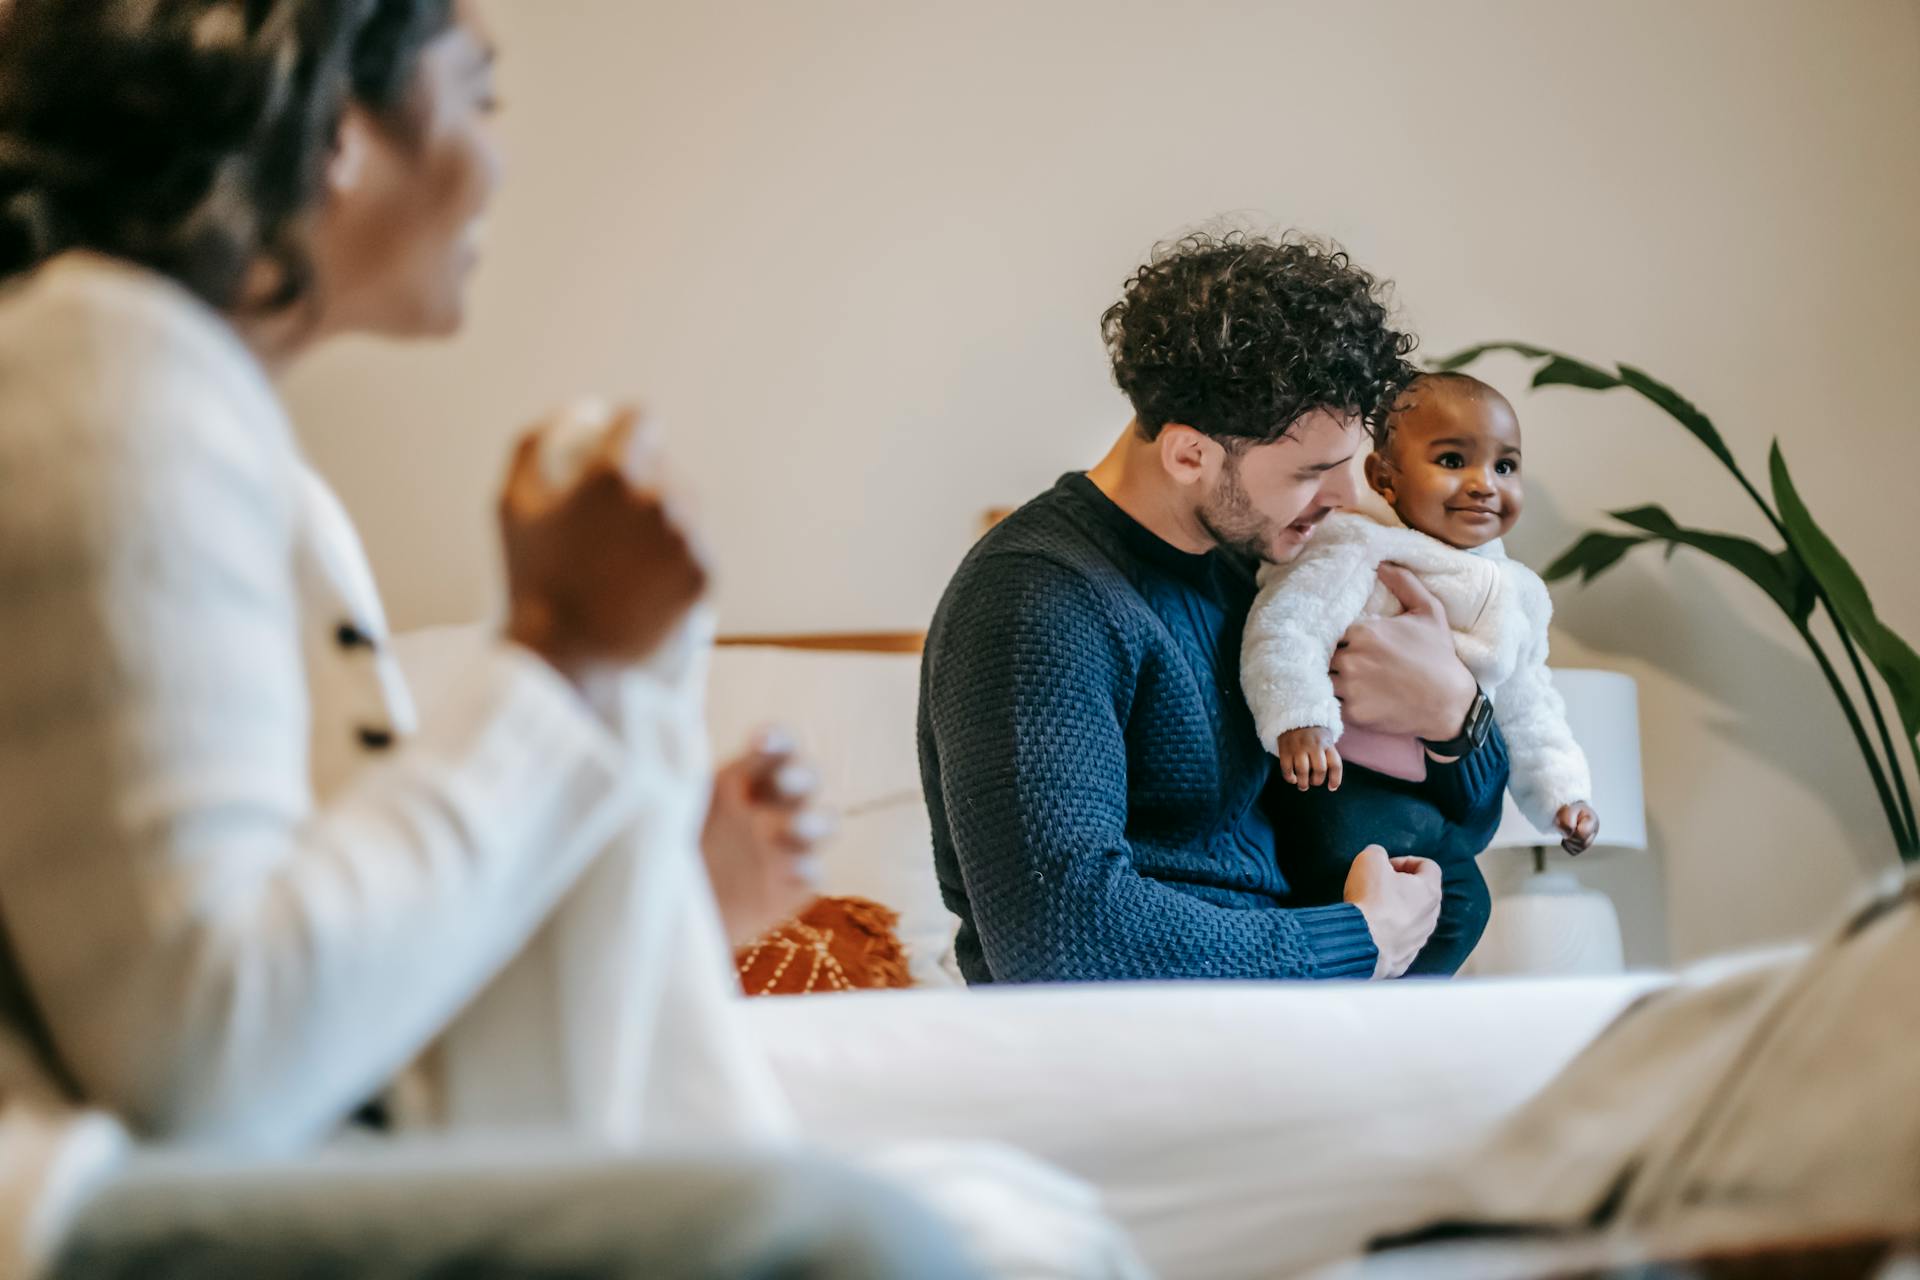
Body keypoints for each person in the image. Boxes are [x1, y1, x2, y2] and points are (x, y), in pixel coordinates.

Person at [0, 0, 975, 1274]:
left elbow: (284, 968)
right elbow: (214, 1058)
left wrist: (668, 888)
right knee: (863, 1240)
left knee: (984, 1215)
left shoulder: (163, 396)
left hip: (180, 1167)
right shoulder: (113, 379)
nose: (500, 160)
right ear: (340, 130)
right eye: (478, 97)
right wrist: (558, 658)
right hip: (74, 1207)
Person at [918, 230, 1512, 986]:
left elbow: (1469, 825)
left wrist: (1456, 715)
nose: (1346, 499)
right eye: (1313, 473)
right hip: (1138, 1045)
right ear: (1188, 455)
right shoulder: (1037, 598)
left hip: (1292, 1020)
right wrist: (1356, 939)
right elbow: (1055, 938)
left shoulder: (1266, 571)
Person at [1243, 371, 1599, 975]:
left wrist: (1563, 793)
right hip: (1341, 782)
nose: (1484, 484)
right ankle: (1347, 980)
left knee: (1466, 904)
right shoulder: (1358, 548)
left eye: (1505, 466)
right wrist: (1299, 717)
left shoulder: (1517, 593)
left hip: (1429, 803)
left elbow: (1529, 703)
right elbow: (1285, 625)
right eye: (1453, 460)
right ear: (1385, 477)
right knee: (1344, 865)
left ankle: (1396, 1008)